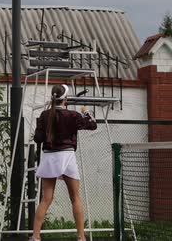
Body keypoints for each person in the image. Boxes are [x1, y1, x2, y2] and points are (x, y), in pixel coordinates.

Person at [30, 84, 97, 241]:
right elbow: (92, 125)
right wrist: (86, 112)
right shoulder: (72, 115)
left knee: (46, 199)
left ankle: (35, 236)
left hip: (49, 157)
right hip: (67, 157)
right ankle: (81, 237)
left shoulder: (44, 115)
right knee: (75, 197)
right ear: (65, 99)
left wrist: (44, 124)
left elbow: (37, 139)